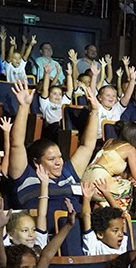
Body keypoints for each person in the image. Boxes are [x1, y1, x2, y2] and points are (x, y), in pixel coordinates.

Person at [8, 76, 99, 217]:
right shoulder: (25, 176)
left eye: (60, 157)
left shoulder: (67, 172)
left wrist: (94, 111)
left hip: (78, 228)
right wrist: (24, 107)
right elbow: (16, 144)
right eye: (51, 159)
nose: (58, 162)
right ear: (36, 162)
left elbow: (87, 146)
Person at [81, 122, 136, 211]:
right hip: (99, 179)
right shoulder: (130, 149)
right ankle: (116, 212)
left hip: (86, 179)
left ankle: (100, 205)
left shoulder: (109, 141)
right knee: (131, 186)